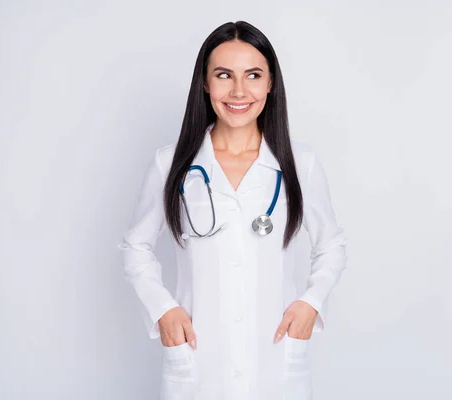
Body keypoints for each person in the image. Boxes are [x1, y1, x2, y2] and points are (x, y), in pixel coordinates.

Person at [118, 20, 347, 400]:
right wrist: (163, 309)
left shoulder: (299, 162)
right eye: (224, 75)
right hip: (198, 363)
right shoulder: (171, 164)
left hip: (276, 361)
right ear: (205, 84)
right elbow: (134, 247)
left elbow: (332, 245)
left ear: (270, 83)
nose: (239, 91)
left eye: (253, 75)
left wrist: (312, 302)